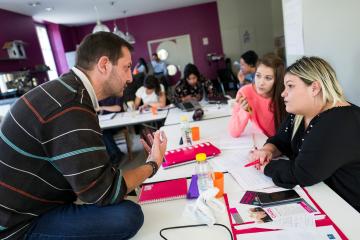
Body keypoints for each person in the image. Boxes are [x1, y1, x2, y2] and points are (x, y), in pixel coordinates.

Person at [0, 32, 168, 239]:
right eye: (126, 67)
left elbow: (96, 177)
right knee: (127, 216)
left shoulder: (66, 91)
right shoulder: (72, 107)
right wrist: (152, 164)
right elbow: (105, 193)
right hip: (18, 225)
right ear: (104, 64)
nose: (130, 77)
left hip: (32, 204)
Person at [250, 56, 360, 212]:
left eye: (290, 86)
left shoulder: (338, 121)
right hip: (322, 197)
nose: (283, 94)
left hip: (348, 210)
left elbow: (302, 173)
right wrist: (268, 149)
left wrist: (267, 166)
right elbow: (281, 140)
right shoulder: (302, 112)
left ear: (314, 88)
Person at [228, 53, 287, 137]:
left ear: (277, 80)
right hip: (263, 141)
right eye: (258, 76)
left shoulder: (284, 94)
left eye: (268, 78)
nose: (261, 82)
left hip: (281, 144)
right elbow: (234, 132)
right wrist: (244, 110)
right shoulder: (245, 92)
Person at [98, 97, 125, 164]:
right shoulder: (101, 97)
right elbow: (99, 109)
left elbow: (118, 108)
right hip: (107, 121)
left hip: (118, 122)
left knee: (104, 132)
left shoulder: (116, 94)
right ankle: (115, 153)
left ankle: (115, 154)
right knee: (102, 132)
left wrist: (103, 107)